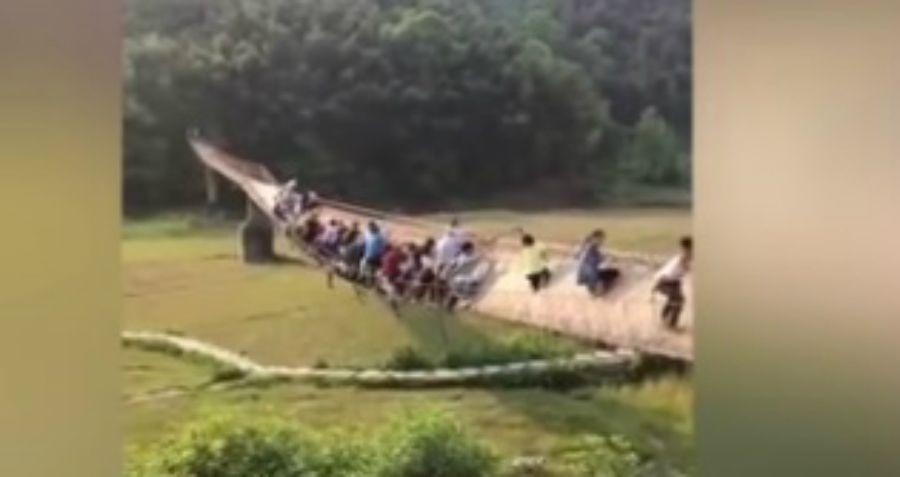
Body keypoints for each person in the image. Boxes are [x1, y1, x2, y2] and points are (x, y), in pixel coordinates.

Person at [653, 236, 692, 330]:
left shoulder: (684, 256)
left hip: (672, 281)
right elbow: (685, 267)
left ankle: (665, 320)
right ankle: (670, 324)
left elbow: (684, 269)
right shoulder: (684, 256)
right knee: (678, 301)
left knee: (676, 300)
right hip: (664, 281)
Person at [576, 229, 621, 295]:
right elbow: (598, 261)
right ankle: (598, 289)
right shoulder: (591, 249)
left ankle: (594, 288)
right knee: (615, 273)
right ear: (597, 238)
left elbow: (580, 256)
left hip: (582, 276)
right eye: (601, 239)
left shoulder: (588, 247)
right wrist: (610, 259)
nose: (602, 241)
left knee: (599, 273)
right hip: (591, 277)